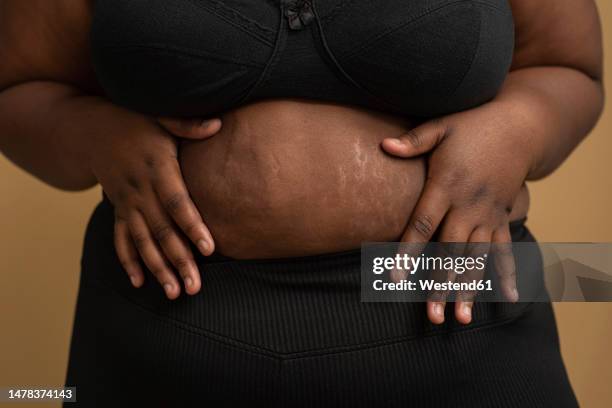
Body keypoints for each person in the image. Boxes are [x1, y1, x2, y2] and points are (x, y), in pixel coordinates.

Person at [0, 0, 603, 406]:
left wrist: (519, 128)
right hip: (167, 313)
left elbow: (571, 69)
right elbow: (18, 87)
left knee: (585, 275)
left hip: (447, 285)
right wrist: (93, 137)